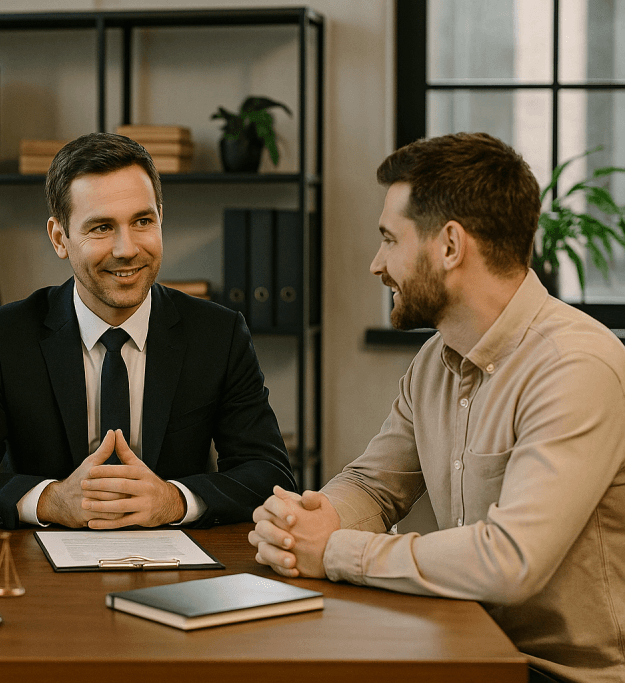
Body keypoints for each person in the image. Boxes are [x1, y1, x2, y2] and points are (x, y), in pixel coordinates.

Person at [249, 133, 625, 683]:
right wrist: (304, 525)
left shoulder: (576, 366)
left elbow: (509, 561)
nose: (377, 264)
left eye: (388, 239)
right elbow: (375, 485)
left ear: (449, 246)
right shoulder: (436, 357)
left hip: (559, 675)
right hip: (465, 646)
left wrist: (332, 551)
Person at [0, 132, 295, 530]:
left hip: (179, 566)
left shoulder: (219, 334)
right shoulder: (3, 336)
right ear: (60, 238)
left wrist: (174, 500)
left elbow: (269, 474)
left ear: (161, 219)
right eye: (101, 227)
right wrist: (52, 500)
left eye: (143, 221)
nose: (126, 248)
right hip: (43, 570)